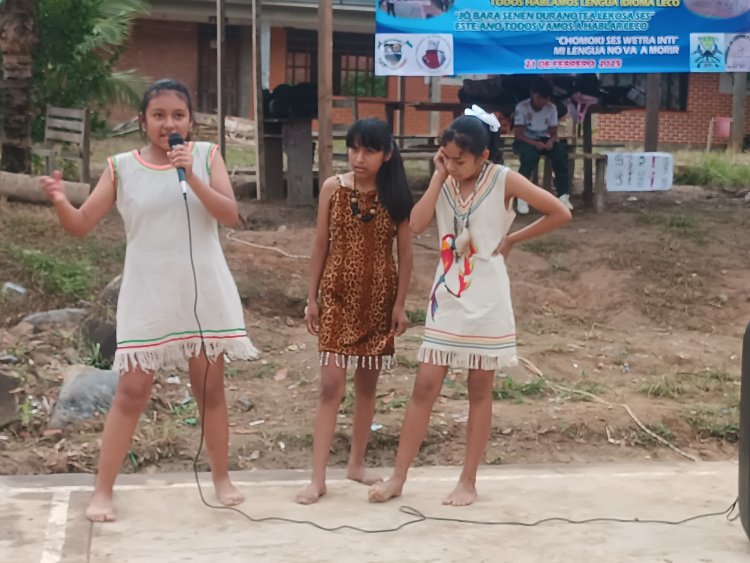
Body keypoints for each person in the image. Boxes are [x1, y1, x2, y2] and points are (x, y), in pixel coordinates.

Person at [40, 79, 258, 522]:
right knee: (132, 390)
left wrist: (191, 175)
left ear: (190, 121)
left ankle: (220, 477)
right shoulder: (121, 166)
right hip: (148, 291)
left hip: (203, 291)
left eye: (178, 115)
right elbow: (81, 224)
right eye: (158, 115)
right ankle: (103, 490)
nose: (169, 123)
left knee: (209, 389)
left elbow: (231, 216)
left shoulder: (206, 156)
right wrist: (62, 201)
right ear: (143, 121)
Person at [368, 106, 571, 506]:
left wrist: (513, 239)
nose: (453, 165)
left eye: (460, 160)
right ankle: (398, 477)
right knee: (425, 384)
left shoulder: (503, 178)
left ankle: (468, 481)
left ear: (483, 156)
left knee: (479, 389)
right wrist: (439, 175)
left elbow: (560, 211)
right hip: (447, 295)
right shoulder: (444, 179)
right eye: (447, 158)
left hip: (488, 295)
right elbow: (419, 223)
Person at [296, 118, 414, 504]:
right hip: (336, 297)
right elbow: (319, 245)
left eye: (370, 150)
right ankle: (317, 478)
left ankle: (356, 463)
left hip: (378, 300)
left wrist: (399, 304)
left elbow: (406, 255)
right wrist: (311, 297)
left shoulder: (395, 194)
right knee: (330, 385)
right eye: (354, 149)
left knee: (367, 385)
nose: (359, 158)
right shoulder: (332, 188)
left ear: (387, 154)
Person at [513, 77, 573, 214]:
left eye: (545, 98)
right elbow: (518, 133)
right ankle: (522, 197)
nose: (542, 101)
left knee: (561, 156)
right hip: (526, 140)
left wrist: (551, 142)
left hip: (544, 139)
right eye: (540, 97)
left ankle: (563, 195)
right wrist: (535, 143)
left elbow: (553, 133)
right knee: (529, 157)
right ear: (533, 94)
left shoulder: (551, 108)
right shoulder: (522, 107)